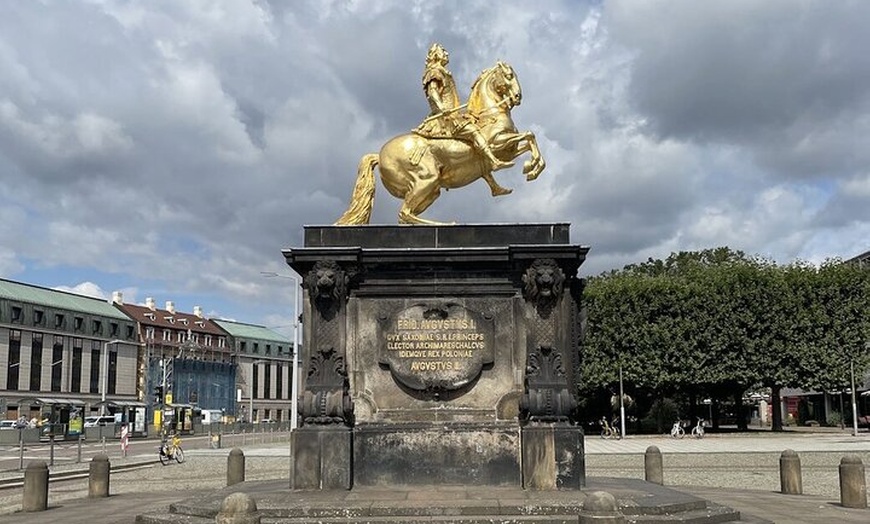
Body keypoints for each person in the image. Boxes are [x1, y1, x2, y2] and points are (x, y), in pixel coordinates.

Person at [418, 43, 514, 195]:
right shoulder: (434, 71)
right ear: (436, 55)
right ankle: (494, 162)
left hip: (453, 115)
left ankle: (494, 187)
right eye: (443, 51)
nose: (446, 54)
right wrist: (443, 110)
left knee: (474, 148)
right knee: (475, 131)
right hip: (444, 119)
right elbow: (433, 93)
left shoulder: (443, 72)